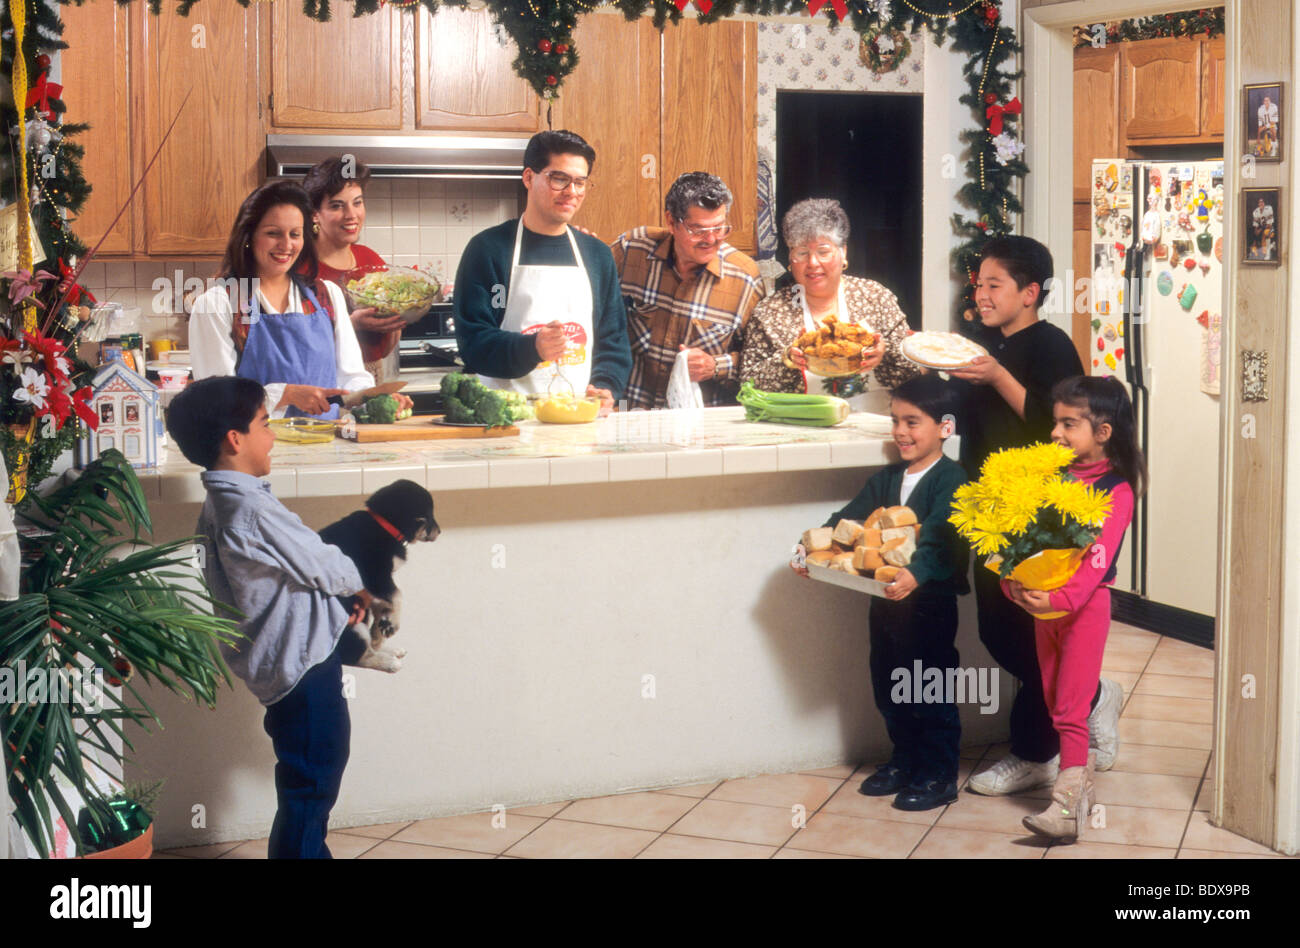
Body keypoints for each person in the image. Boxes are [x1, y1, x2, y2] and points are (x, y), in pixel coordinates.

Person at [166, 375, 373, 858]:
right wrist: (354, 582)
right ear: (234, 440)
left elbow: (279, 574)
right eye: (264, 423)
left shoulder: (225, 499)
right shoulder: (250, 508)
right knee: (313, 779)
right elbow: (320, 561)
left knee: (305, 778)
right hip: (300, 671)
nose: (273, 434)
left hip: (281, 665)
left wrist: (328, 606)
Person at [947, 235, 1123, 796]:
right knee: (999, 630)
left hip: (1038, 511)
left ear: (1030, 292)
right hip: (991, 509)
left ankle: (1039, 750)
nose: (981, 293)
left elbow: (1054, 431)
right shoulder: (984, 342)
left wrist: (997, 377)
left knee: (1031, 628)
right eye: (978, 284)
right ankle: (1092, 696)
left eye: (993, 284)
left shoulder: (1049, 345)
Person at [793, 375, 969, 810]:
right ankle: (904, 759)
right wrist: (810, 548)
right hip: (884, 603)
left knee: (929, 686)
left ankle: (939, 773)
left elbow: (946, 535)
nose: (901, 432)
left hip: (928, 603)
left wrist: (918, 573)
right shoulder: (888, 478)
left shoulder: (951, 477)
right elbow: (848, 518)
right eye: (895, 421)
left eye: (913, 422)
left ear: (945, 427)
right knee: (888, 683)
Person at [1009, 376, 1145, 839]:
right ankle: (1079, 783)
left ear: (1103, 432)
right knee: (1053, 698)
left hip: (1085, 609)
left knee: (1069, 706)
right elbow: (1023, 541)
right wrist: (1014, 583)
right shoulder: (1052, 477)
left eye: (1069, 424)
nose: (1056, 434)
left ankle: (1065, 811)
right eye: (1055, 422)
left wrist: (1061, 599)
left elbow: (1096, 562)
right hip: (1042, 609)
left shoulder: (1116, 490)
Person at [452, 129, 631, 410]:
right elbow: (474, 344)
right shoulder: (488, 250)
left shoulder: (597, 256)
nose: (571, 192)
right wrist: (533, 347)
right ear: (528, 177)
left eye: (580, 182)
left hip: (577, 421)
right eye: (559, 179)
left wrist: (606, 386)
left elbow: (614, 340)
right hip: (502, 422)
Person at [190, 180, 375, 420]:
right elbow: (216, 399)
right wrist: (284, 394)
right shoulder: (219, 304)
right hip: (255, 451)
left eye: (295, 234)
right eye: (273, 233)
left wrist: (374, 398)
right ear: (249, 236)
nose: (286, 245)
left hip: (328, 449)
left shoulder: (327, 295)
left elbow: (351, 377)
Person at [612, 172, 764, 409]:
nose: (711, 239)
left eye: (720, 228)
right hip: (627, 411)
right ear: (671, 222)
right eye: (698, 230)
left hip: (702, 429)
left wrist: (716, 366)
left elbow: (761, 363)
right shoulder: (632, 249)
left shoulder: (745, 278)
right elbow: (593, 318)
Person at [740, 198, 917, 394]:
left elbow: (913, 371)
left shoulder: (875, 297)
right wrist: (787, 360)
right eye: (802, 252)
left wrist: (886, 353)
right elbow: (748, 386)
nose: (813, 262)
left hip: (874, 421)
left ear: (843, 253)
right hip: (800, 423)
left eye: (823, 252)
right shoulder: (769, 313)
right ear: (790, 258)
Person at [302, 157, 407, 383]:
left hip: (371, 375)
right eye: (337, 206)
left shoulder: (370, 260)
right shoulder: (301, 269)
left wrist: (396, 320)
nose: (351, 215)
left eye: (357, 203)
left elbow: (384, 348)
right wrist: (351, 325)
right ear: (314, 213)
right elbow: (294, 344)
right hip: (320, 381)